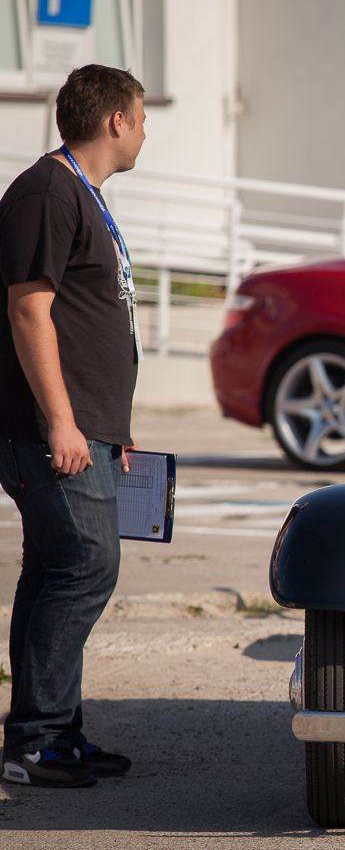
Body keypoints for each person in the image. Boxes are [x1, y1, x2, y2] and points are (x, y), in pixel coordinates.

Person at [0, 64, 146, 788]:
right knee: (87, 565)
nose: (144, 133)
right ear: (115, 120)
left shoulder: (79, 193)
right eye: (141, 119)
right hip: (50, 430)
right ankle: (37, 741)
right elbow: (29, 309)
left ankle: (53, 731)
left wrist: (113, 427)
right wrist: (63, 421)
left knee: (55, 570)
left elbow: (87, 316)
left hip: (89, 425)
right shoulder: (47, 192)